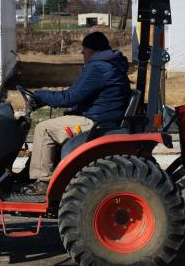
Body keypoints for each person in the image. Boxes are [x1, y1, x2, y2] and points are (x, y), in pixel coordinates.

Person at [23, 31, 131, 195]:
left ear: (93, 51)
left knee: (43, 129)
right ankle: (31, 173)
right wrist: (46, 99)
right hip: (103, 116)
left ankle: (43, 181)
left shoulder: (98, 67)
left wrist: (40, 94)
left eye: (85, 49)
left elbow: (69, 97)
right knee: (57, 122)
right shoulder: (110, 64)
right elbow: (79, 94)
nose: (82, 53)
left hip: (96, 122)